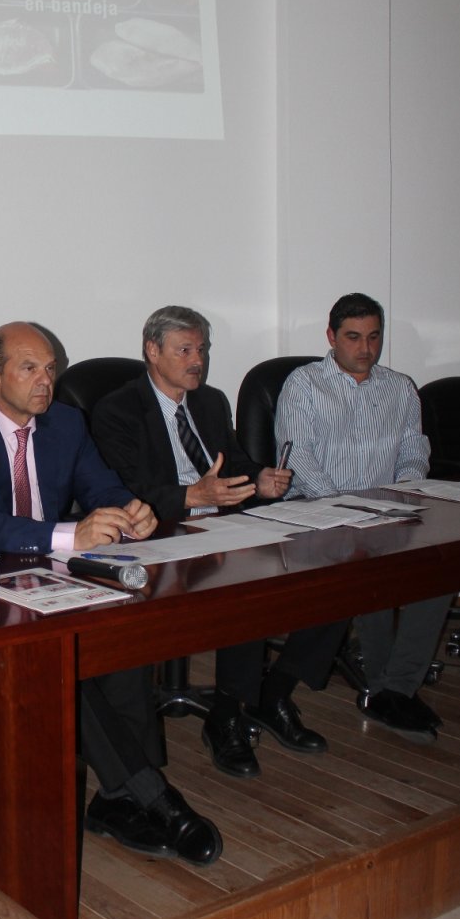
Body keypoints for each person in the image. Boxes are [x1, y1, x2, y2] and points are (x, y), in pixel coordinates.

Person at [0, 320, 222, 866]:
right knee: (59, 657)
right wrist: (68, 533)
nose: (46, 381)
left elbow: (100, 484)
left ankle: (115, 798)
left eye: (51, 369)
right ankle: (149, 794)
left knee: (122, 628)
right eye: (29, 368)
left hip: (49, 571)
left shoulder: (65, 423)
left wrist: (128, 509)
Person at [92, 306, 348, 779]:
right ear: (152, 351)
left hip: (222, 523)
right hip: (160, 533)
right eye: (185, 350)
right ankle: (225, 717)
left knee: (333, 565)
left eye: (202, 350)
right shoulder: (117, 410)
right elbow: (121, 491)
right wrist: (192, 496)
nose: (197, 361)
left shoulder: (209, 402)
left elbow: (238, 466)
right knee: (242, 584)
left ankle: (275, 693)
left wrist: (263, 480)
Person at [275, 292, 450, 737]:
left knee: (440, 568)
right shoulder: (304, 384)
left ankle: (396, 690)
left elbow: (414, 450)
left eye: (374, 337)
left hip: (385, 510)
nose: (365, 348)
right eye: (353, 337)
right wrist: (347, 509)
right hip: (315, 510)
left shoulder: (400, 387)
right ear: (332, 337)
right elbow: (299, 460)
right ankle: (383, 687)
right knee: (367, 562)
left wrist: (404, 493)